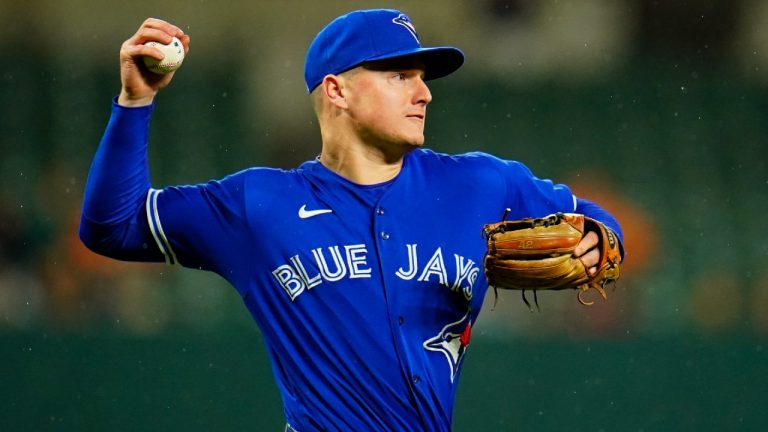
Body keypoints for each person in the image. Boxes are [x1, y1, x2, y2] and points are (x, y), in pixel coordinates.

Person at [80, 9, 624, 431]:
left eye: (423, 77)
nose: (424, 91)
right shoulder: (259, 204)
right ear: (337, 89)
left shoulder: (479, 184)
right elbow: (112, 224)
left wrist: (601, 241)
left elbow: (597, 221)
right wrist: (135, 101)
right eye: (399, 75)